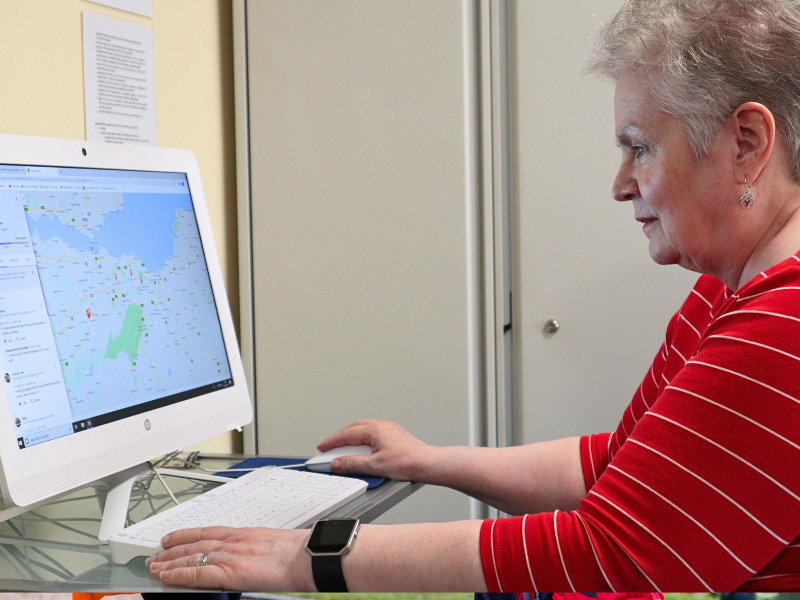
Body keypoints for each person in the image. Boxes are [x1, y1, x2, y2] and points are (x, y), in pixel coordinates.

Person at [146, 0, 800, 592]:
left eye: (641, 148)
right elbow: (626, 466)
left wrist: (302, 560)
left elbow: (608, 549)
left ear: (747, 144)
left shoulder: (782, 324)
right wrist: (431, 462)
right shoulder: (725, 295)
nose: (621, 184)